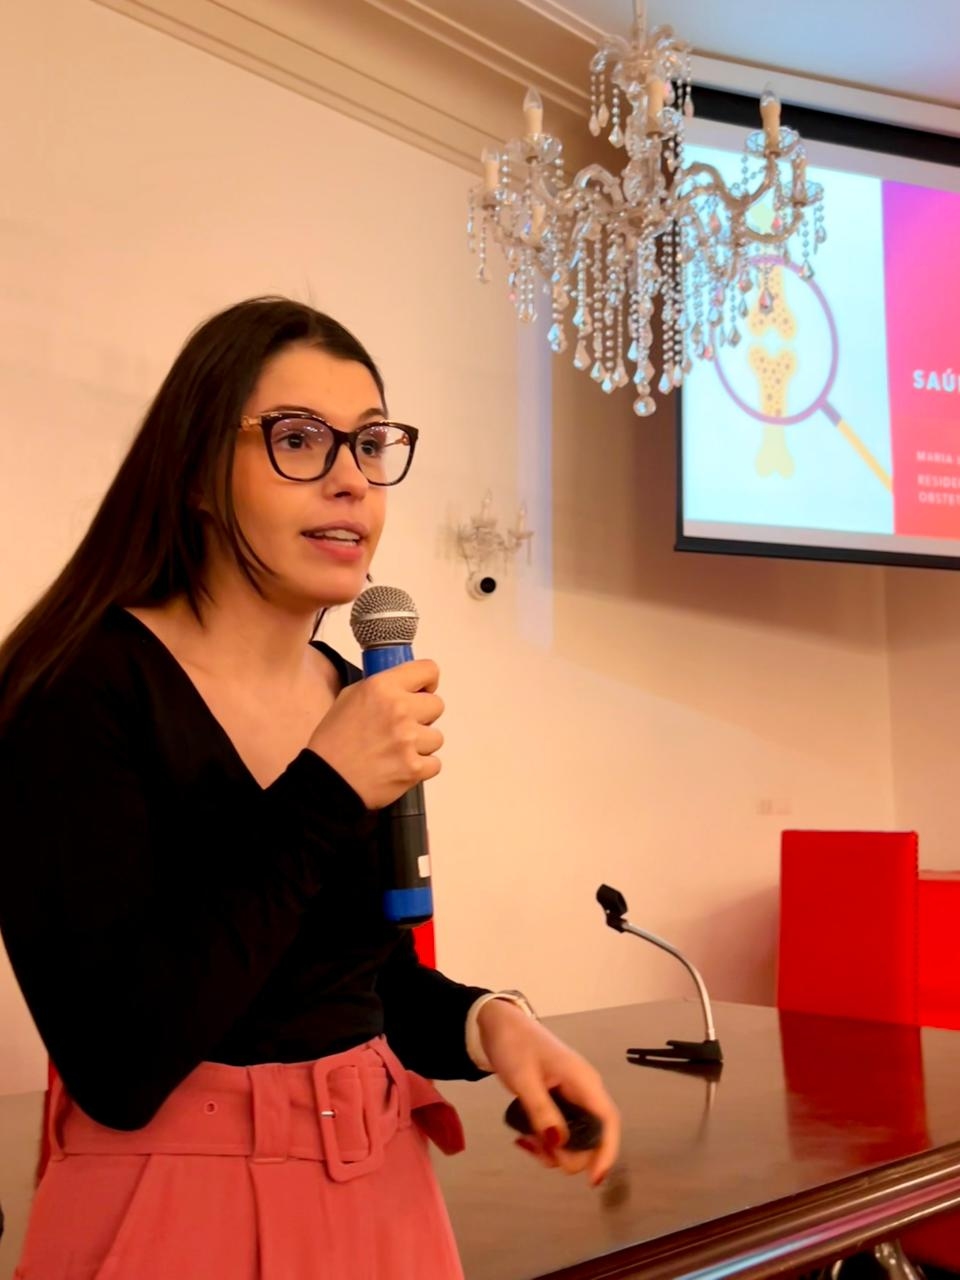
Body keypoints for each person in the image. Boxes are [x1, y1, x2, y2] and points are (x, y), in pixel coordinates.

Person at [0, 297, 620, 1279]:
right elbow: (119, 1058)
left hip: (380, 1190)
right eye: (298, 439)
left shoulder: (347, 687)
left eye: (370, 444)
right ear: (197, 472)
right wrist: (328, 785)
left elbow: (350, 985)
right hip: (169, 1206)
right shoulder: (74, 688)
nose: (351, 479)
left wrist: (490, 1023)